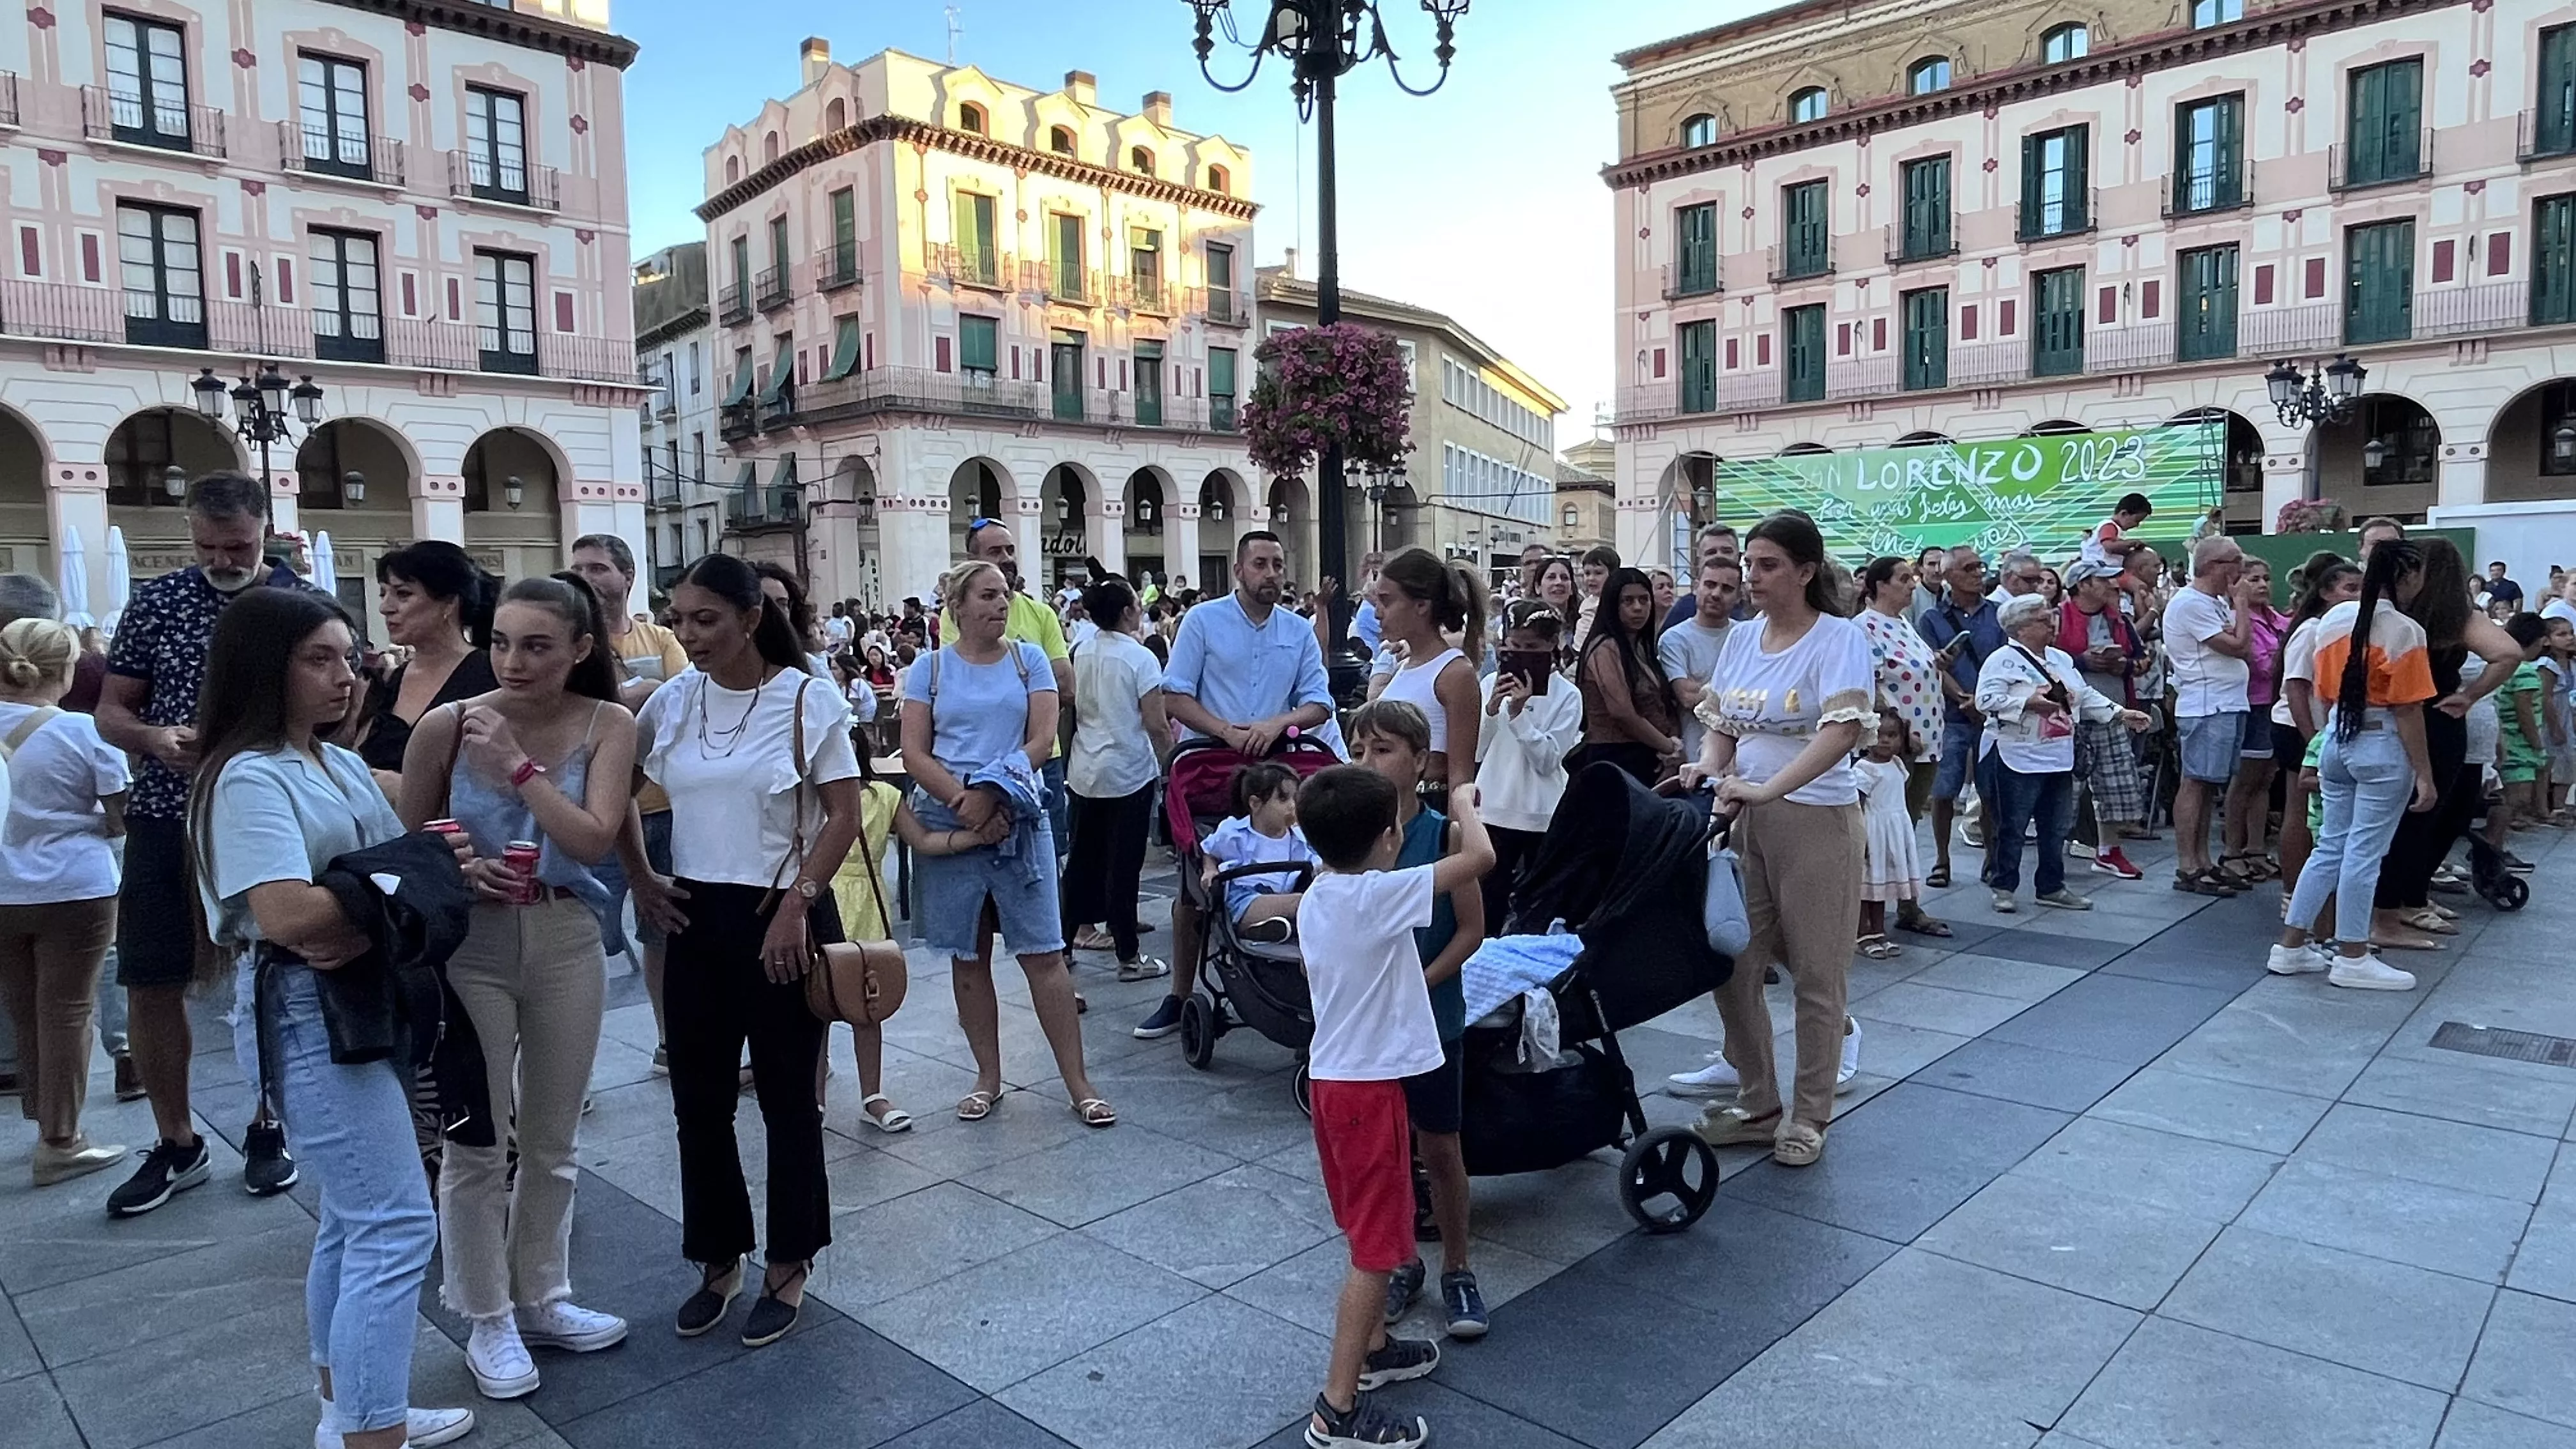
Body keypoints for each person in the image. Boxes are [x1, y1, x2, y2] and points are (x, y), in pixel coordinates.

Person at [189, 587, 473, 1449]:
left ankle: (347, 1408)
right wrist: (381, 891)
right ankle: (370, 1431)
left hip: (361, 998)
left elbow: (410, 867)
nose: (346, 675)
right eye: (320, 657)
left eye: (349, 656)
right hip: (305, 1011)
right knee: (395, 1221)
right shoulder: (249, 776)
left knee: (357, 1219)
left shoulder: (333, 762)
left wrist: (381, 890)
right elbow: (287, 916)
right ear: (262, 667)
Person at [396, 575, 635, 1397]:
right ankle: (485, 1312)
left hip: (568, 929)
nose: (514, 660)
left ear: (580, 648)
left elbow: (594, 838)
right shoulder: (446, 725)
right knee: (475, 1136)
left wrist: (518, 766)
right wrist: (461, 864)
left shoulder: (611, 724)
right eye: (502, 641)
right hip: (471, 941)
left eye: (537, 644)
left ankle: (542, 1294)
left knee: (553, 1131)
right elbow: (411, 847)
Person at [629, 552, 863, 1347]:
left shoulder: (807, 698)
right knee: (698, 1099)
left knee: (790, 1098)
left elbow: (843, 815)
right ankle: (717, 1257)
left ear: (749, 619)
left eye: (706, 619)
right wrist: (641, 876)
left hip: (778, 910)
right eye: (679, 618)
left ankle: (790, 1261)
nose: (689, 635)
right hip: (694, 911)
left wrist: (799, 903)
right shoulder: (672, 701)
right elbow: (614, 789)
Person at [96, 470, 310, 1213]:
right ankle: (177, 1141)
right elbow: (112, 711)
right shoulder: (157, 602)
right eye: (209, 546)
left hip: (265, 811)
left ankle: (266, 1125)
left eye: (239, 546)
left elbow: (338, 702)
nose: (224, 558)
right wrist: (154, 736)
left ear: (264, 532)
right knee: (151, 977)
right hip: (165, 808)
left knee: (268, 969)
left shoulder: (298, 606)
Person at [1287, 765, 1492, 1449]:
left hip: (1336, 1084)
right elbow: (1481, 860)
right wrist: (1462, 806)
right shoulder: (1375, 896)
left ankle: (1373, 1352)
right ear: (1389, 837)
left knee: (1367, 1226)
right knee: (1376, 1250)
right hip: (1366, 1094)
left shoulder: (1321, 893)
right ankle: (1337, 1409)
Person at [1682, 511, 1873, 1166]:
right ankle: (1759, 1100)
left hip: (1817, 819)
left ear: (1805, 571)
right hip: (1743, 818)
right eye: (1748, 564)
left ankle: (1810, 1113)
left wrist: (1768, 788)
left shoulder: (1839, 637)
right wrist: (1709, 766)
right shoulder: (1740, 639)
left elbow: (1841, 731)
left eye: (1767, 565)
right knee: (1733, 960)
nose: (1750, 577)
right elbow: (1722, 725)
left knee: (1819, 974)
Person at [900, 561, 1110, 1126]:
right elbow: (915, 751)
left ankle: (1078, 1081)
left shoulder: (1028, 659)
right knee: (969, 957)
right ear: (959, 606)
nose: (1000, 603)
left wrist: (993, 792)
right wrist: (964, 798)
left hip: (1017, 813)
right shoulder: (930, 668)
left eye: (1005, 594)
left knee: (1043, 953)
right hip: (951, 815)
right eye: (988, 595)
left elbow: (1043, 737)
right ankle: (987, 1076)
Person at [1139, 532, 1335, 1040]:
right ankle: (1180, 994)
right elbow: (1175, 694)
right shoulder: (1203, 621)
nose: (1272, 573)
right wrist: (1225, 730)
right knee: (1192, 882)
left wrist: (1277, 724)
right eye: (1261, 564)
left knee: (1300, 853)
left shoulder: (1297, 630)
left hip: (1277, 766)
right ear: (1239, 571)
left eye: (1277, 564)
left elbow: (1319, 701)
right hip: (1211, 761)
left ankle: (1304, 972)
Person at [1346, 700, 1489, 1342]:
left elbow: (1471, 930)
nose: (1368, 763)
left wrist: (1419, 983)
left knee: (1441, 1145)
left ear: (1418, 760)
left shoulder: (1443, 835)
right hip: (1374, 1027)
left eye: (1382, 750)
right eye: (1358, 751)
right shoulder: (1352, 841)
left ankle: (1457, 1264)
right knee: (1388, 1148)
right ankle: (1402, 1260)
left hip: (1433, 1018)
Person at [2265, 539, 2439, 992]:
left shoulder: (2333, 621)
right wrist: (2424, 772)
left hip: (2338, 738)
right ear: (2406, 577)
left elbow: (2321, 692)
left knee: (2330, 848)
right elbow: (2408, 708)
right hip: (2381, 742)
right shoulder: (2404, 630)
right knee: (2364, 853)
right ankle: (2353, 955)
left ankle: (2290, 945)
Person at [0, 617, 129, 1185]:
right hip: (74, 886)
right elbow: (122, 818)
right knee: (69, 1012)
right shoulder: (83, 732)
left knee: (23, 1007)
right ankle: (61, 1138)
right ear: (65, 669)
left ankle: (41, 1113)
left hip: (3, 890)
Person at [569, 533, 687, 1071]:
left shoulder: (659, 636)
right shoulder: (571, 645)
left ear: (627, 577)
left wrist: (615, 701)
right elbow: (578, 708)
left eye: (599, 567)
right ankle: (573, 1063)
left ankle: (669, 1042)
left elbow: (681, 695)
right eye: (580, 568)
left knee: (661, 933)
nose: (588, 577)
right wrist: (633, 696)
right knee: (582, 939)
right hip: (591, 812)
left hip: (660, 807)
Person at [2370, 539, 2524, 949]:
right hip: (2442, 718)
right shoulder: (2456, 615)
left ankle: (2395, 901)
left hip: (2390, 717)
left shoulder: (2394, 614)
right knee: (2425, 817)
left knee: (2396, 818)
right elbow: (2508, 653)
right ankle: (2403, 902)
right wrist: (2471, 695)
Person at [1974, 592, 2152, 912]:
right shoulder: (2001, 660)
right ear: (2020, 628)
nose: (2051, 624)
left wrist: (2120, 713)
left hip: (2058, 754)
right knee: (2012, 826)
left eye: (2049, 617)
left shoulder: (2061, 659)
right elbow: (1985, 700)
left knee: (2055, 826)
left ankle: (2052, 886)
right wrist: (2028, 702)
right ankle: (2004, 886)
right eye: (2043, 620)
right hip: (2017, 755)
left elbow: (2083, 695)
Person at [1062, 577, 1174, 981]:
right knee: (1124, 866)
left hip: (1084, 769)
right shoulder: (1140, 658)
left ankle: (1064, 945)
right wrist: (1171, 766)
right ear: (1128, 611)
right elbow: (1156, 724)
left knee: (1081, 861)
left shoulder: (1081, 650)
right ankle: (1128, 954)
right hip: (1128, 770)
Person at [351, 542, 500, 797]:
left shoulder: (490, 675)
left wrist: (409, 790)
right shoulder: (393, 679)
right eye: (383, 593)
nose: (386, 607)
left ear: (448, 604)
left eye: (403, 594)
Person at [963, 519, 1077, 853]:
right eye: (995, 551)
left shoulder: (1042, 614)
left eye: (1010, 550)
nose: (1007, 558)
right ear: (973, 561)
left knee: (1048, 860)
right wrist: (1033, 687)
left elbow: (1067, 688)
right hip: (983, 760)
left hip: (1044, 759)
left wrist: (1006, 688)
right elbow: (970, 688)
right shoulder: (955, 616)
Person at [1851, 555, 1950, 935]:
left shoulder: (1903, 623)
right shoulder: (1864, 627)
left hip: (1924, 741)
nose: (1913, 584)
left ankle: (1908, 904)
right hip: (1893, 746)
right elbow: (1870, 685)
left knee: (1907, 825)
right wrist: (1896, 729)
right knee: (1880, 828)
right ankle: (1867, 913)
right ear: (1879, 586)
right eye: (1904, 578)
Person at [1474, 599, 1581, 934]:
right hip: (1493, 807)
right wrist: (1492, 709)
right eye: (1514, 647)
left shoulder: (1568, 695)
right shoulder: (1491, 681)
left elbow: (1549, 760)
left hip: (1542, 813)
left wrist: (1520, 715)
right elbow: (1477, 748)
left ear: (1552, 646)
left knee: (1538, 906)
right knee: (1488, 901)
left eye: (1532, 648)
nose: (1522, 655)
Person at [2163, 537, 2261, 896]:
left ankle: (2202, 860)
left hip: (2225, 702)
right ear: (2214, 565)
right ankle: (2189, 864)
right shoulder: (2191, 603)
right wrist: (2241, 605)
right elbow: (2238, 646)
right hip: (2207, 704)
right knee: (2196, 782)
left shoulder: (2212, 603)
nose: (2242, 571)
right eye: (2236, 562)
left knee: (2208, 786)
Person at [2272, 557, 2362, 900]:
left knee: (2323, 813)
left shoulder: (2341, 629)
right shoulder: (2311, 629)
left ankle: (2319, 891)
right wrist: (2314, 740)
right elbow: (2294, 686)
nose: (2356, 597)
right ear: (2325, 592)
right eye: (2349, 589)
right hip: (2299, 727)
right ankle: (2292, 892)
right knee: (2300, 810)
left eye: (2361, 590)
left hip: (2324, 730)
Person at [1916, 545, 2004, 890]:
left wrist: (1983, 701)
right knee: (1943, 790)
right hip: (1950, 715)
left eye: (1980, 567)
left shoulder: (1997, 614)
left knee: (1991, 790)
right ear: (1949, 576)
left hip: (1990, 715)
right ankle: (1941, 859)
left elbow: (2004, 661)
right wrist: (1963, 698)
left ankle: (1993, 858)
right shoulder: (1931, 619)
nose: (1978, 574)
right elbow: (1932, 666)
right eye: (1969, 568)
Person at [2057, 560, 2149, 881]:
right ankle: (2052, 851)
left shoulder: (2120, 620)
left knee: (2115, 785)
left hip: (2112, 712)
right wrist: (2083, 661)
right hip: (2067, 718)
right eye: (2105, 580)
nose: (2114, 585)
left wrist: (2122, 665)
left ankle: (2109, 851)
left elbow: (2142, 660)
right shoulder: (2056, 619)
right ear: (2082, 585)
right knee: (2064, 789)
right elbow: (2044, 661)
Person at [1370, 548, 1491, 797]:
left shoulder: (1455, 673)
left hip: (1426, 808)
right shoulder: (1404, 666)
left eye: (1387, 601)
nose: (1377, 613)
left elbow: (1460, 776)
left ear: (1421, 606)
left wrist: (1455, 833)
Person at [2220, 556, 2292, 885]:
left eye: (2266, 578)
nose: (2263, 585)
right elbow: (2261, 664)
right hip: (2253, 705)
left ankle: (2256, 849)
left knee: (2265, 780)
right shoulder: (2237, 620)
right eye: (2253, 580)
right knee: (2245, 781)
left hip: (2277, 705)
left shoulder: (2280, 620)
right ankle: (2232, 852)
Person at [1573, 566, 1680, 786]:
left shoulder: (1640, 647)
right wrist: (1670, 748)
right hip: (1615, 759)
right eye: (1628, 601)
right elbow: (1623, 713)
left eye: (1644, 600)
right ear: (1613, 605)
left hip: (1648, 756)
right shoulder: (1605, 647)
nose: (1638, 608)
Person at [1854, 709, 1922, 960]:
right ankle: (1862, 933)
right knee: (1866, 886)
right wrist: (1860, 837)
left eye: (1892, 735)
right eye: (1877, 735)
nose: (1884, 741)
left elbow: (1918, 752)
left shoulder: (1896, 764)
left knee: (1880, 887)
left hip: (1892, 832)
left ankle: (1879, 931)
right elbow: (1858, 805)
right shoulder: (1864, 769)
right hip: (1874, 832)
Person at [1660, 556, 1740, 767]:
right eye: (1710, 585)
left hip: (1744, 760)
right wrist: (1738, 689)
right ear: (1696, 587)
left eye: (1727, 588)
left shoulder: (1746, 636)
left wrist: (1706, 688)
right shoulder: (1675, 639)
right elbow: (1687, 696)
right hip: (1697, 757)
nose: (1716, 594)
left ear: (1739, 596)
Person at [1663, 525, 1742, 631]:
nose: (1719, 556)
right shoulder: (1683, 611)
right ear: (1699, 560)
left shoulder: (1756, 605)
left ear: (1739, 556)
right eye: (1711, 552)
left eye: (1727, 551)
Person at [2080, 492, 2154, 579]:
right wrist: (2130, 543)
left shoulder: (2117, 530)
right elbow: (2109, 546)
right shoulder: (2109, 526)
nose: (2137, 525)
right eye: (2137, 521)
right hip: (2098, 570)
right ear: (2124, 514)